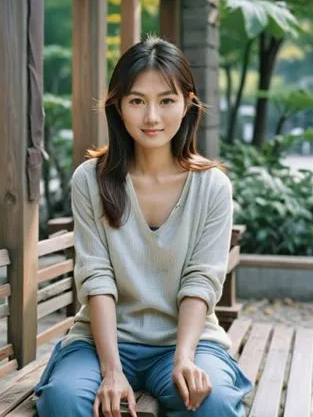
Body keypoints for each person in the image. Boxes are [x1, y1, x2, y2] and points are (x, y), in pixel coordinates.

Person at [35, 37, 252, 416]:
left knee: (212, 401)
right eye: (137, 101)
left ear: (187, 103)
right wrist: (111, 370)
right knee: (63, 400)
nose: (152, 116)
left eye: (166, 100)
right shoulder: (90, 179)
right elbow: (96, 276)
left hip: (187, 342)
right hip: (99, 342)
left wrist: (184, 357)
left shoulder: (212, 185)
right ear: (118, 106)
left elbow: (201, 280)